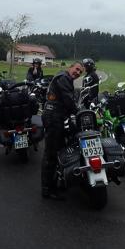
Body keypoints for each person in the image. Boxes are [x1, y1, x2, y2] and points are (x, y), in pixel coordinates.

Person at [40, 61, 84, 200]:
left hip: (56, 116)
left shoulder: (64, 77)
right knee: (51, 154)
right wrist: (79, 112)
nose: (78, 73)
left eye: (80, 72)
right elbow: (68, 100)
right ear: (70, 67)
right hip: (54, 117)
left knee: (59, 149)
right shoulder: (64, 78)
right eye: (77, 69)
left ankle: (56, 182)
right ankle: (47, 189)